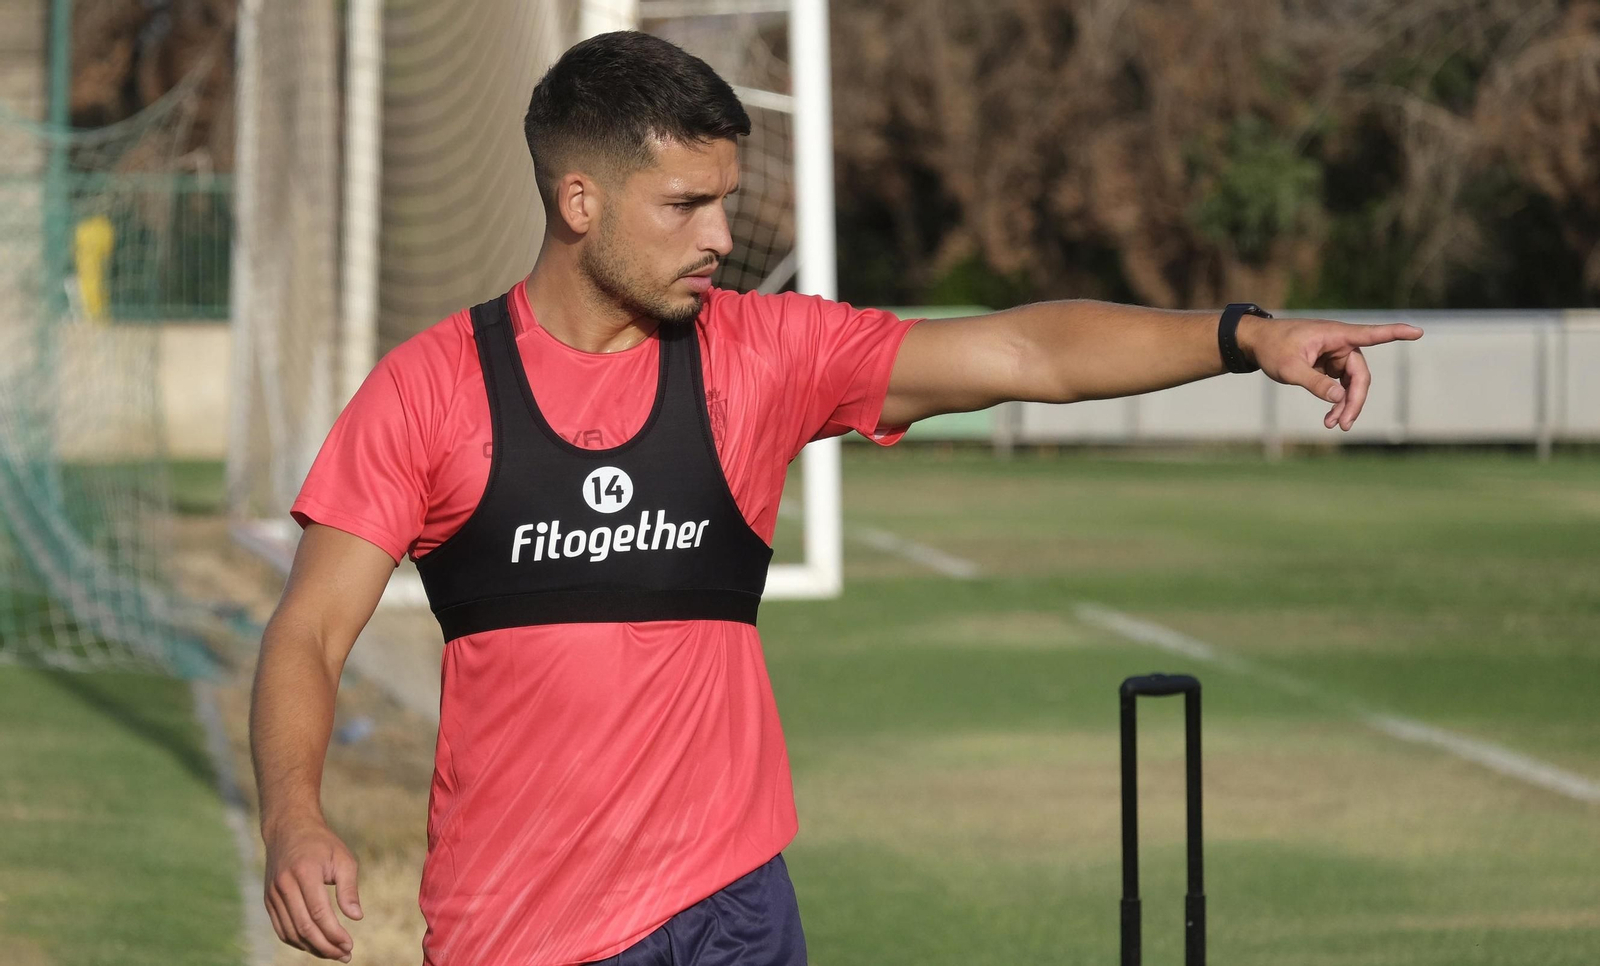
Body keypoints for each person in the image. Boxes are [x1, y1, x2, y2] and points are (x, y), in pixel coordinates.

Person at [248, 29, 1423, 966]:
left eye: (726, 199)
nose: (722, 236)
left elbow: (1024, 356)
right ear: (579, 202)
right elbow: (308, 633)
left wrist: (1244, 336)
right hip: (525, 927)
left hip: (735, 906)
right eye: (685, 206)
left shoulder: (763, 354)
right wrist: (295, 819)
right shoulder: (430, 389)